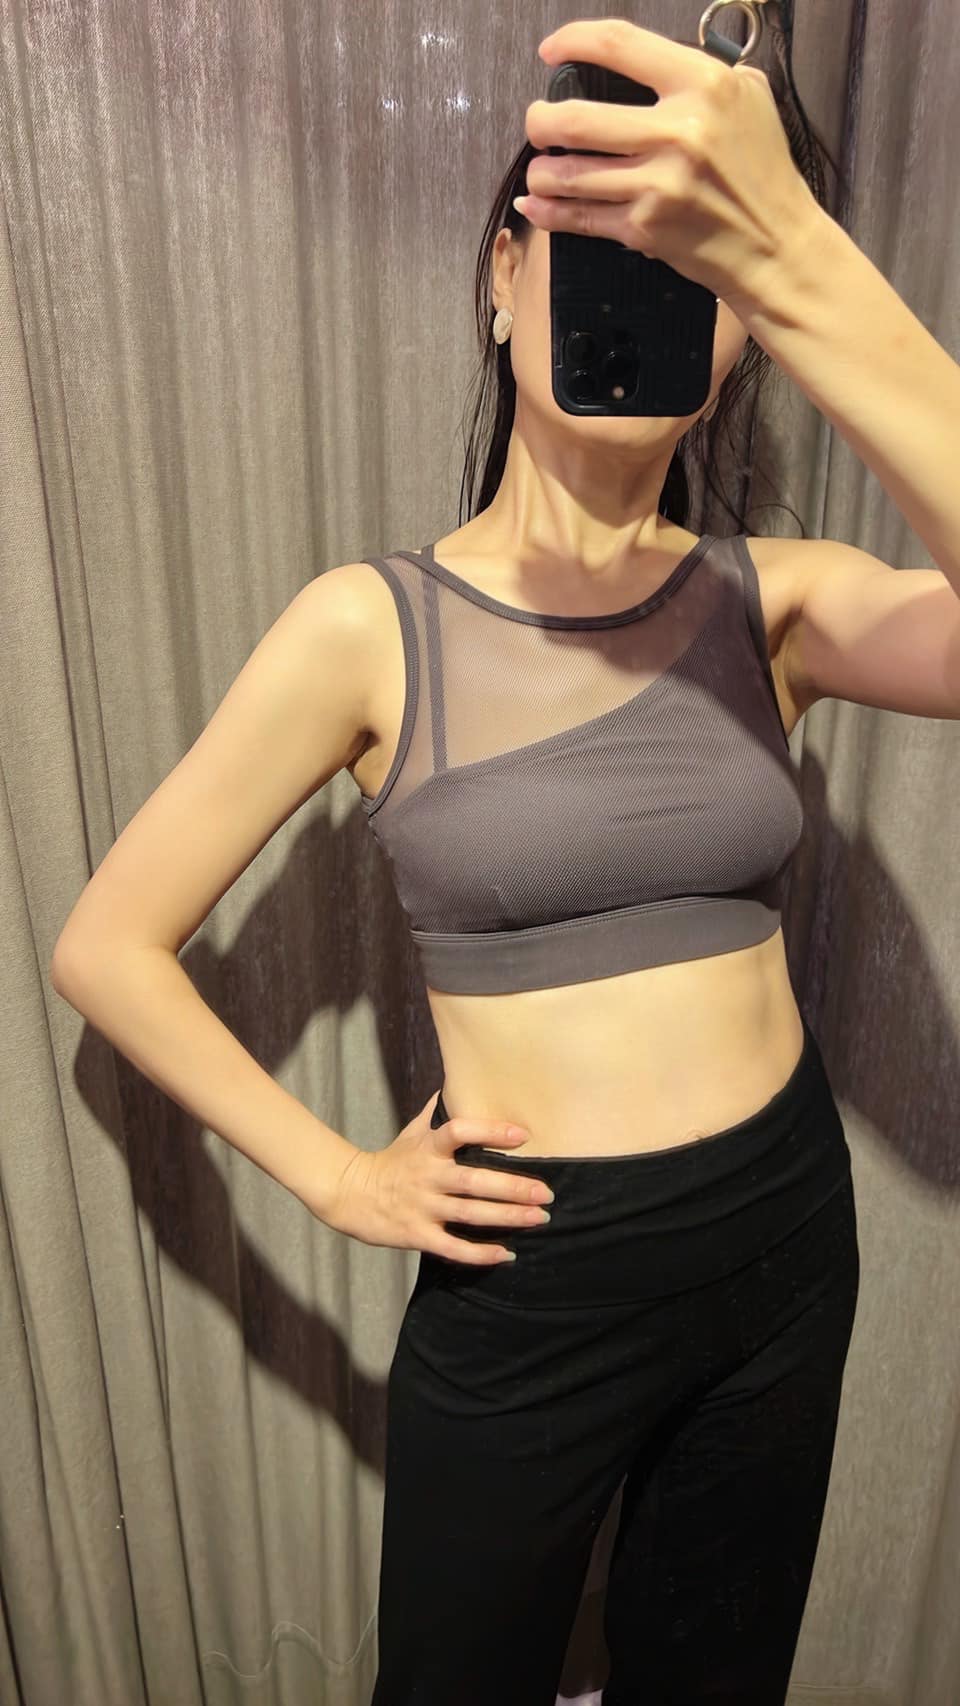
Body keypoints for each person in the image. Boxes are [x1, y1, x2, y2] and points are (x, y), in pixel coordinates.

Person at [51, 16, 861, 1706]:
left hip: (783, 1236)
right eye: (598, 254)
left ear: (743, 338)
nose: (646, 299)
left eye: (700, 272)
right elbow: (107, 942)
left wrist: (808, 272)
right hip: (530, 1279)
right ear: (505, 274)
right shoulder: (370, 625)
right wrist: (340, 1178)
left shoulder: (770, 599)